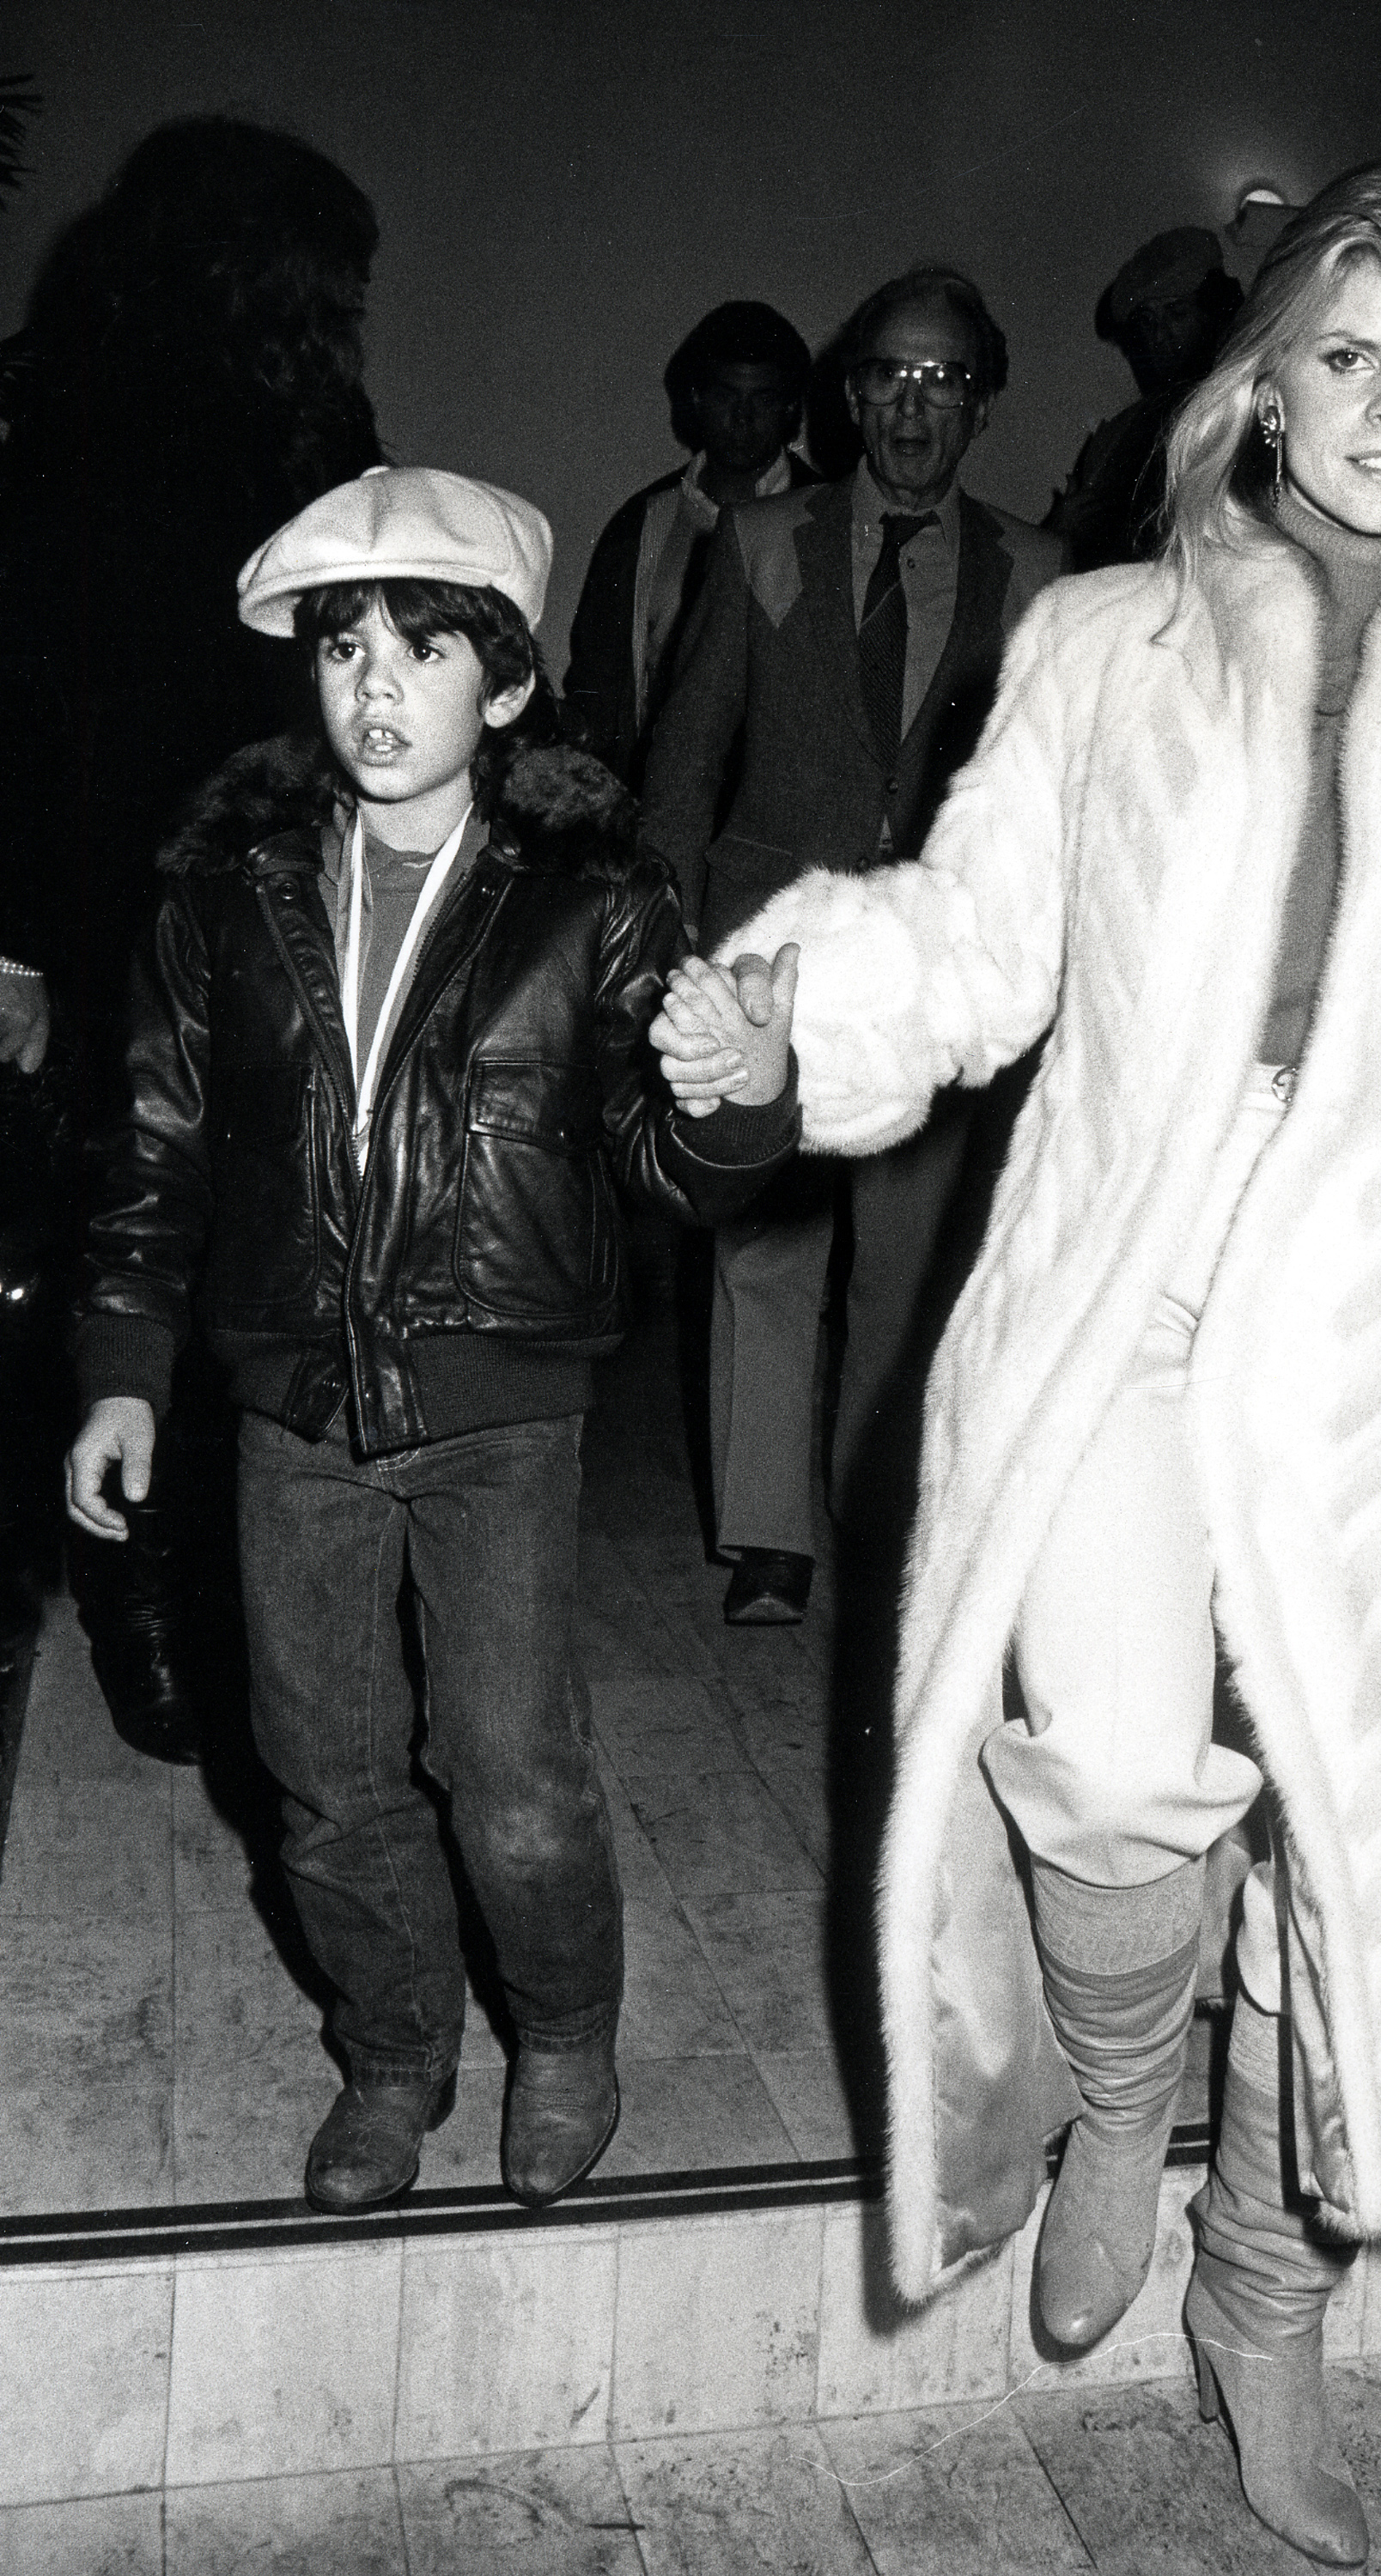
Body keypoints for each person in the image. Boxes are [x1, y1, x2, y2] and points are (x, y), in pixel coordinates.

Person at [654, 161, 1381, 2562]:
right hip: (1126, 1265)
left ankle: (1265, 2301)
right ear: (1262, 378)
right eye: (1348, 351)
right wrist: (787, 1013)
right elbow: (976, 934)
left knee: (1349, 1866)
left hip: (1372, 1296)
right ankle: (1115, 2092)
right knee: (1120, 1767)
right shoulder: (1107, 643)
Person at [64, 466, 799, 2215]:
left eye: (423, 648)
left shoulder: (589, 903)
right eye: (339, 650)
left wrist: (742, 1097)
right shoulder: (228, 896)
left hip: (495, 1408)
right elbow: (157, 1144)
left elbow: (661, 1157)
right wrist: (117, 1368)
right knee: (320, 1774)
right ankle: (395, 2053)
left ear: (510, 683)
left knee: (511, 1770)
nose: (376, 690)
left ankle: (562, 2035)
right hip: (293, 1403)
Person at [0, 117, 386, 1760]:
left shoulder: (313, 425)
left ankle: (214, 1608)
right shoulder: (61, 415)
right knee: (122, 1249)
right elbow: (14, 691)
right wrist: (13, 943)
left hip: (259, 895)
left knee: (253, 1254)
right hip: (106, 902)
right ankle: (139, 1607)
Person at [639, 265, 1063, 1625]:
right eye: (886, 375)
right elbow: (684, 761)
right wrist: (667, 944)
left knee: (908, 1264)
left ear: (982, 404)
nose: (910, 406)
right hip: (767, 955)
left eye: (942, 380)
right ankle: (770, 1538)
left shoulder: (1039, 577)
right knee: (763, 1250)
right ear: (851, 392)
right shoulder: (761, 539)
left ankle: (879, 1520)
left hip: (932, 974)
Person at [565, 301, 817, 792]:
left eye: (762, 399)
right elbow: (595, 688)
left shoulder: (830, 521)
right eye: (727, 395)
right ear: (697, 399)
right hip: (651, 800)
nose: (742, 418)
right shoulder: (639, 527)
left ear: (790, 408)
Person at [1045, 225, 1244, 570]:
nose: (1162, 335)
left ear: (1217, 310)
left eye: (1177, 313)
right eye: (1148, 322)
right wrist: (1060, 531)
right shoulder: (1119, 435)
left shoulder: (1255, 409)